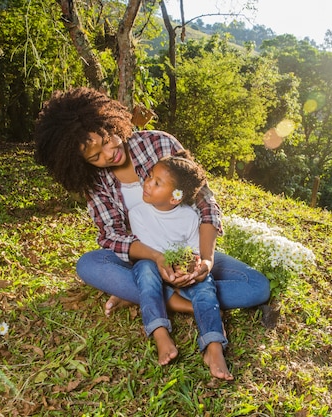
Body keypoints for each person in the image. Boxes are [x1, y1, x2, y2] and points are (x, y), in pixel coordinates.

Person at [32, 87, 270, 335]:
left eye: (107, 141)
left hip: (188, 251)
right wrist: (158, 258)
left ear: (112, 124)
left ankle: (146, 295)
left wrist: (206, 261)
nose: (109, 154)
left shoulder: (158, 143)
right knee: (89, 264)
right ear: (82, 162)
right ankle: (177, 300)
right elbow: (111, 234)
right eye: (95, 156)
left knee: (256, 286)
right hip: (143, 260)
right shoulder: (93, 182)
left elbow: (205, 203)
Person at [128, 150, 232, 380]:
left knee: (206, 285)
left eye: (157, 182)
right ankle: (160, 333)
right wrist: (168, 271)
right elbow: (149, 251)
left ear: (175, 197)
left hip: (181, 271)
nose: (147, 183)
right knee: (145, 273)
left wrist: (193, 269)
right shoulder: (137, 213)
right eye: (150, 176)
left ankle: (214, 346)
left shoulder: (189, 217)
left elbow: (195, 251)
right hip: (153, 266)